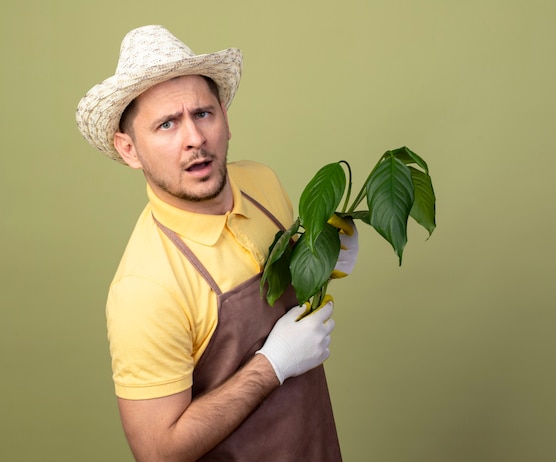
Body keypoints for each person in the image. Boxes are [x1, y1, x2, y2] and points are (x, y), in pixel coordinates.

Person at [76, 25, 358, 461]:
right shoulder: (145, 287)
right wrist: (273, 365)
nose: (195, 138)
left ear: (225, 115)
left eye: (203, 113)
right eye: (166, 124)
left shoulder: (261, 182)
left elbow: (291, 295)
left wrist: (325, 260)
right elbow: (159, 451)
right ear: (129, 149)